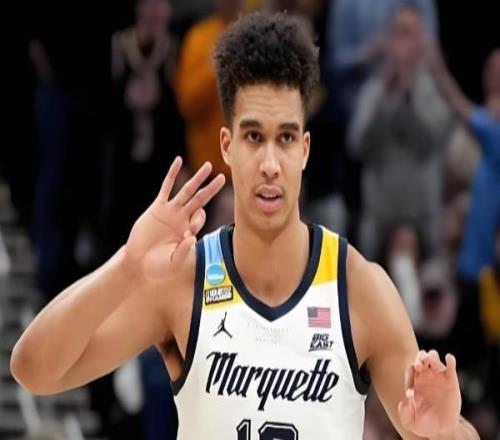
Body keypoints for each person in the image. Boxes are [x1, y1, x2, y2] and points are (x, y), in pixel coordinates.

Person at [10, 12, 479, 439]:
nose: (270, 164)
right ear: (227, 146)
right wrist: (127, 265)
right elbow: (34, 370)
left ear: (305, 149)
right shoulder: (182, 281)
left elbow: (442, 431)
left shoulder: (359, 289)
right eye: (254, 137)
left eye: (286, 138)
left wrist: (444, 432)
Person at [348, 3, 451, 259]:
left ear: (421, 42)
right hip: (378, 218)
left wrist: (409, 95)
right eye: (398, 33)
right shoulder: (373, 92)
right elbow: (357, 145)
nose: (402, 44)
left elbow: (435, 139)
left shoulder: (433, 90)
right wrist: (387, 97)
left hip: (422, 218)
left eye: (409, 34)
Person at [431, 47, 500, 282]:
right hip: (472, 239)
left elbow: (459, 105)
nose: (495, 77)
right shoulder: (477, 124)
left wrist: (438, 70)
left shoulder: (490, 127)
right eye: (492, 70)